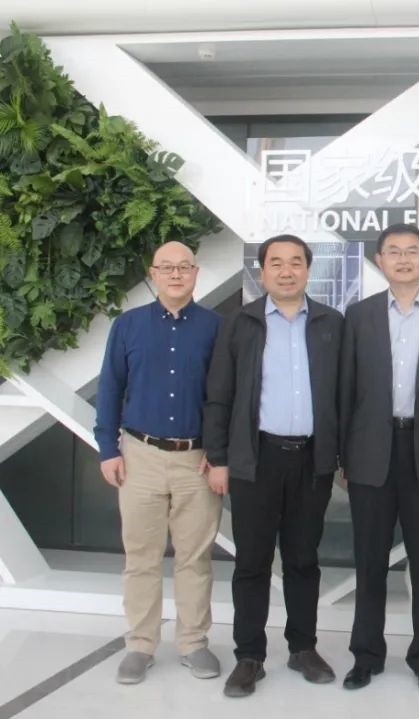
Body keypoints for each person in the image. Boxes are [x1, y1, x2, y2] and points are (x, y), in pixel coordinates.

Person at [203, 234, 344, 698]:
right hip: (256, 458)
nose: (286, 271)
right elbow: (219, 395)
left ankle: (303, 648)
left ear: (308, 270)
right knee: (252, 562)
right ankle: (249, 656)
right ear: (261, 272)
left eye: (296, 262)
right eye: (276, 263)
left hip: (312, 460)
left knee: (303, 560)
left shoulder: (330, 323)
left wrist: (341, 455)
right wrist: (218, 458)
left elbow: (346, 394)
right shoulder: (239, 323)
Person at [338, 224, 419, 694]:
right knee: (369, 562)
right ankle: (366, 655)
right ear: (380, 260)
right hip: (371, 453)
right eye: (393, 251)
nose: (403, 258)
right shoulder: (359, 315)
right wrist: (343, 455)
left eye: (412, 251)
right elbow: (345, 389)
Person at [95, 241, 222, 685]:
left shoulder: (216, 327)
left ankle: (193, 642)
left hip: (197, 460)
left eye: (183, 267)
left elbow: (224, 396)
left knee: (195, 558)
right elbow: (110, 388)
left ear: (196, 273)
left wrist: (219, 452)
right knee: (141, 557)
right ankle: (140, 645)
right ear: (153, 273)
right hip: (140, 456)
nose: (175, 274)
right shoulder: (128, 326)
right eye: (166, 267)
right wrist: (107, 449)